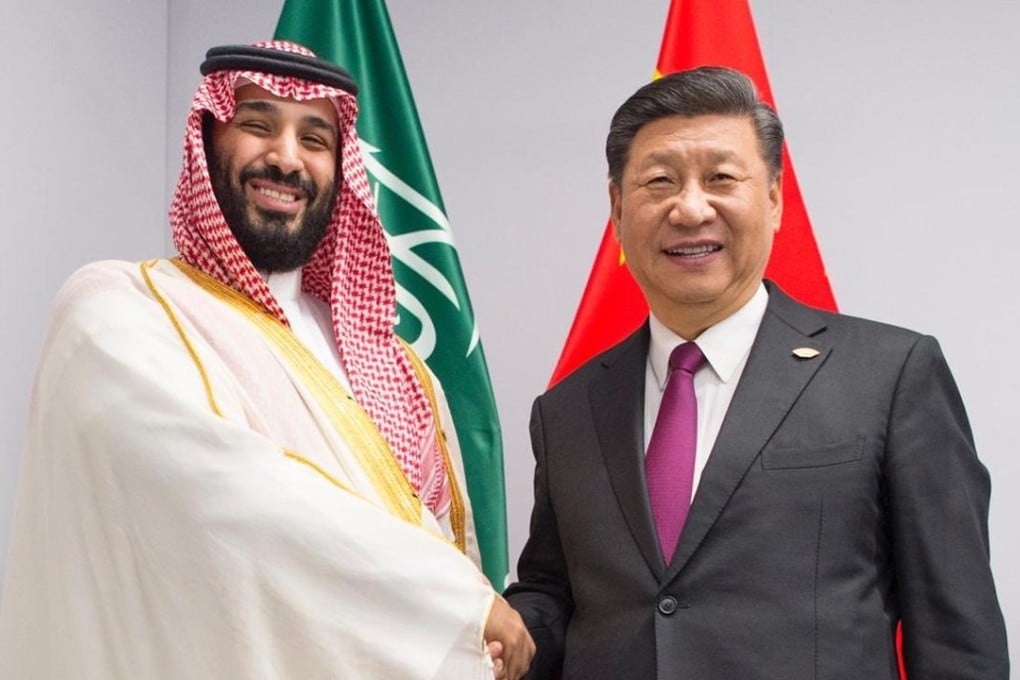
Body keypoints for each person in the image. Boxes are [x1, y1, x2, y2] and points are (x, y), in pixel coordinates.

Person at [0, 40, 533, 680]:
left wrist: (469, 621)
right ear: (207, 140)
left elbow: (444, 541)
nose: (286, 158)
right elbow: (223, 495)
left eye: (315, 138)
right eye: (257, 125)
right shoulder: (120, 308)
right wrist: (456, 605)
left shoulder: (397, 367)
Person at [504, 67, 1008, 679]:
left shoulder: (891, 376)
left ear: (773, 199)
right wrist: (482, 627)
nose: (690, 208)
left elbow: (957, 633)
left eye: (721, 178)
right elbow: (554, 597)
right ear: (616, 209)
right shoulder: (567, 410)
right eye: (659, 182)